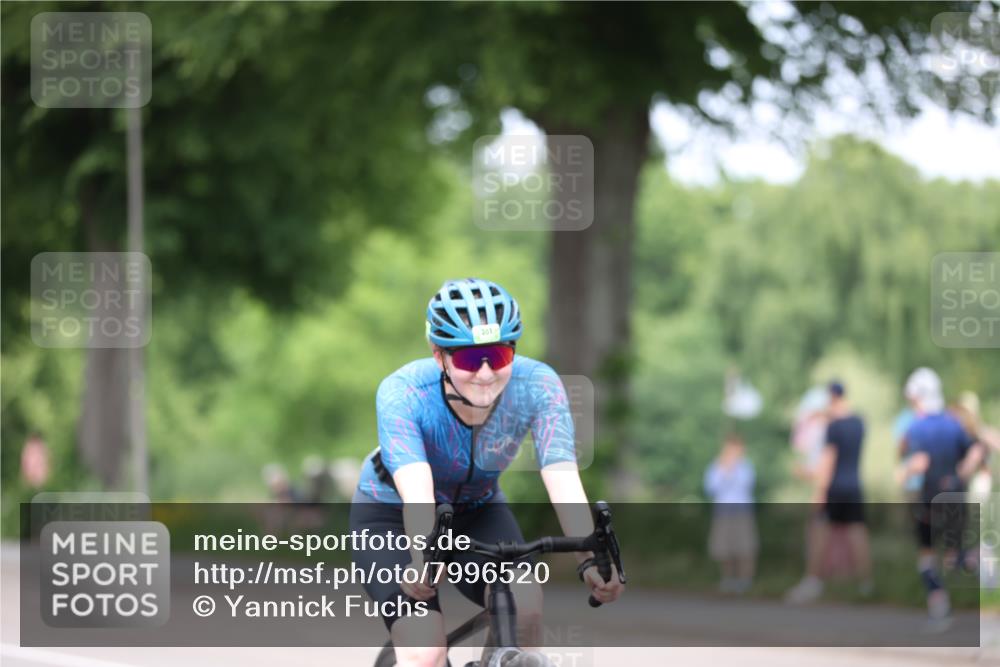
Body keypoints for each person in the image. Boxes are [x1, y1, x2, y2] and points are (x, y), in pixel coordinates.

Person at [349, 278, 623, 667]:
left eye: (497, 356)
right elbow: (418, 493)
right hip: (392, 512)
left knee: (525, 604)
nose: (484, 374)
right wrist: (421, 558)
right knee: (424, 651)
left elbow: (562, 477)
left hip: (478, 509)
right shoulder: (404, 393)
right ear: (439, 356)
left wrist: (588, 557)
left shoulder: (539, 386)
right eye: (467, 359)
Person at [898, 368, 986, 630]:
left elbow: (919, 461)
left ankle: (940, 609)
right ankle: (979, 558)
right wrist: (962, 473)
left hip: (930, 499)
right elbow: (976, 450)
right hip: (955, 495)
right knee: (955, 557)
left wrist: (904, 472)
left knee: (927, 556)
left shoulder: (918, 427)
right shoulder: (953, 423)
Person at [786, 380, 873, 604]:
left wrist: (817, 488)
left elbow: (828, 462)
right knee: (857, 533)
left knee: (819, 533)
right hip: (854, 485)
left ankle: (812, 581)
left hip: (834, 488)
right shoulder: (859, 422)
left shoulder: (834, 427)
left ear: (831, 397)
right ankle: (866, 584)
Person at [704, 433, 757, 594]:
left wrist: (732, 470)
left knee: (745, 547)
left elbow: (746, 484)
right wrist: (724, 470)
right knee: (724, 547)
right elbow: (711, 487)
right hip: (723, 511)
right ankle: (728, 579)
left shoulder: (746, 466)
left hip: (742, 511)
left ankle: (745, 580)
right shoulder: (716, 466)